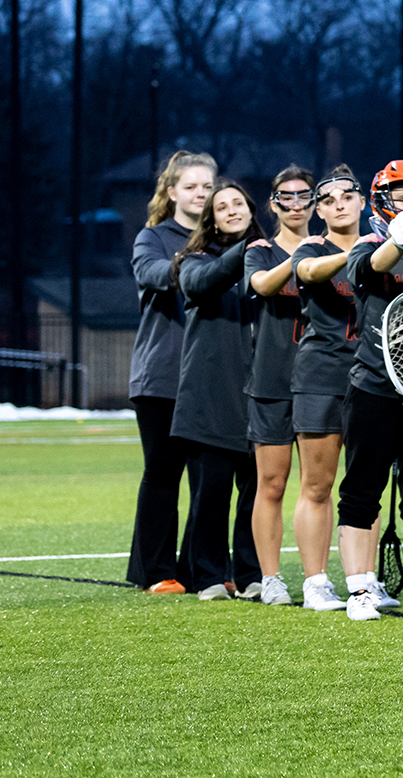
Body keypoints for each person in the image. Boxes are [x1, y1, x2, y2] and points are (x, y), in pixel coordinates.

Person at [336, 160, 403, 621]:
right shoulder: (369, 244)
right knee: (362, 488)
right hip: (376, 386)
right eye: (401, 197)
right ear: (382, 203)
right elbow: (369, 267)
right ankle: (360, 587)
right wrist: (400, 235)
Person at [171, 179, 266, 600]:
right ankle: (207, 576)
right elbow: (201, 283)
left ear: (250, 208)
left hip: (259, 395)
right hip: (210, 397)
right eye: (221, 206)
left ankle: (251, 574)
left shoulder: (269, 259)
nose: (231, 210)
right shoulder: (194, 260)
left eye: (238, 203)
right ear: (210, 219)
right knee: (210, 494)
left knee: (257, 492)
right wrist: (246, 253)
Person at [126, 150, 216, 593]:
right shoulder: (153, 237)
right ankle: (156, 572)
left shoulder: (225, 239)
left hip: (209, 377)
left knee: (207, 481)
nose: (200, 193)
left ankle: (202, 571)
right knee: (163, 473)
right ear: (172, 191)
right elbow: (155, 274)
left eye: (206, 186)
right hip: (161, 375)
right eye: (191, 186)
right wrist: (204, 264)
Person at [286, 167, 366, 612]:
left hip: (372, 375)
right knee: (317, 484)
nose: (338, 203)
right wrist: (360, 251)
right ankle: (316, 581)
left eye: (346, 196)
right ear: (319, 209)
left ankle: (364, 579)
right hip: (322, 376)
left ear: (361, 202)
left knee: (363, 483)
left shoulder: (381, 247)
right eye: (328, 199)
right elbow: (312, 270)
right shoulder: (312, 247)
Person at [244, 165, 314, 608]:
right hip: (272, 381)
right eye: (284, 197)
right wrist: (300, 257)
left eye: (303, 195)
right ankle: (271, 578)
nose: (294, 204)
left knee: (320, 486)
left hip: (323, 382)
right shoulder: (262, 250)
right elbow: (263, 285)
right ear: (273, 203)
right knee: (271, 483)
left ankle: (318, 579)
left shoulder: (331, 249)